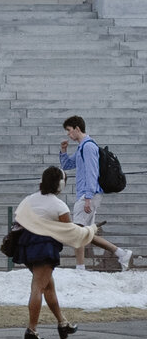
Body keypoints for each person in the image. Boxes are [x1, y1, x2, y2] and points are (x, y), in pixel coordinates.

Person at [13, 165, 131, 339]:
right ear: (60, 185)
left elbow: (19, 218)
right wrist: (91, 229)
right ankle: (31, 330)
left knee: (47, 286)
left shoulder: (29, 199)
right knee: (38, 287)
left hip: (26, 247)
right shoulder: (58, 205)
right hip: (44, 249)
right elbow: (71, 232)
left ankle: (62, 323)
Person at [57, 115, 126, 270]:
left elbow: (92, 173)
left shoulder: (88, 146)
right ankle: (121, 253)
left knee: (77, 232)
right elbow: (67, 165)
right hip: (87, 194)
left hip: (88, 194)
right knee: (87, 234)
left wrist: (88, 198)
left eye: (69, 130)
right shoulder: (82, 147)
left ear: (77, 128)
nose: (68, 134)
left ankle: (80, 268)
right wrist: (63, 150)